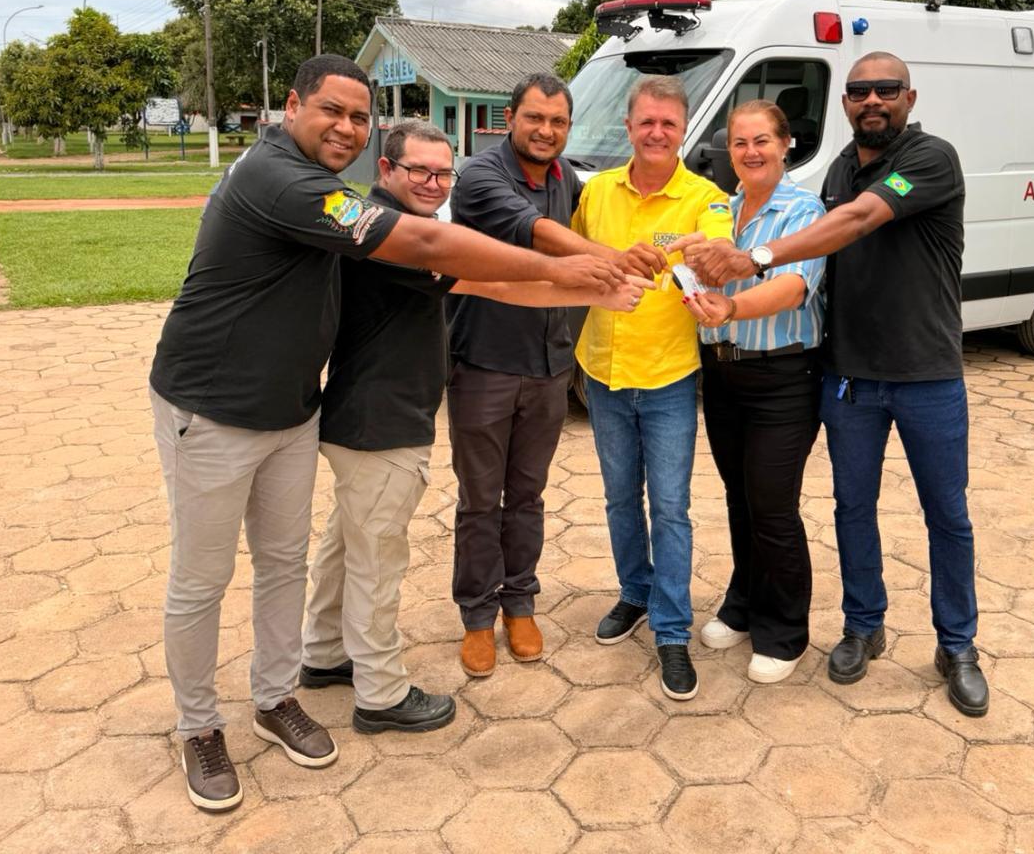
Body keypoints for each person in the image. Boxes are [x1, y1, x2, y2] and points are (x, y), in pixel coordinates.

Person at [149, 55, 625, 813]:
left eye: (358, 116)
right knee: (203, 579)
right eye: (331, 111)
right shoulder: (285, 180)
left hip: (296, 411)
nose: (345, 126)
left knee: (286, 563)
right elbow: (446, 255)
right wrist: (587, 271)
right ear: (291, 104)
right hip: (212, 408)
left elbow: (468, 271)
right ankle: (200, 726)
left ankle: (278, 697)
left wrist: (583, 281)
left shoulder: (336, 197)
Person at [298, 120, 649, 729]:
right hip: (380, 421)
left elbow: (493, 284)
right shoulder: (396, 234)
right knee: (379, 556)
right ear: (386, 170)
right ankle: (380, 692)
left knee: (346, 540)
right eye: (419, 171)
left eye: (442, 173)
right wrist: (580, 279)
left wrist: (585, 291)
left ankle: (324, 653)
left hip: (374, 414)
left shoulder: (401, 223)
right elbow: (491, 280)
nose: (434, 183)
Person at [681, 52, 989, 717]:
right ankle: (862, 625)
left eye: (885, 90)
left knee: (947, 515)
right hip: (850, 374)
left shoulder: (930, 159)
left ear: (909, 95)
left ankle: (957, 644)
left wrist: (754, 258)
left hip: (926, 373)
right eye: (858, 91)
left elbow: (850, 226)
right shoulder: (842, 169)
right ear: (844, 103)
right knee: (852, 509)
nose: (871, 100)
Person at [572, 74, 734, 701]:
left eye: (669, 123)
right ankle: (634, 593)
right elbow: (571, 255)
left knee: (669, 508)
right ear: (629, 126)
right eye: (647, 122)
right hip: (603, 372)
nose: (657, 132)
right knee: (619, 499)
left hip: (668, 377)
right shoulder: (598, 194)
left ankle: (671, 629)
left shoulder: (702, 196)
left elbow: (719, 240)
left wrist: (699, 252)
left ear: (683, 129)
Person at [444, 73, 590, 677]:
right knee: (481, 499)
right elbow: (536, 235)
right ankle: (477, 616)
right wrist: (599, 263)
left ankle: (520, 603)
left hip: (550, 366)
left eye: (557, 122)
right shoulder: (481, 176)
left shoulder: (569, 181)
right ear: (509, 119)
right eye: (535, 118)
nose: (545, 131)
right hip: (484, 364)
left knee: (527, 495)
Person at [677, 100, 826, 685]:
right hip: (723, 373)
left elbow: (794, 287)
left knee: (771, 504)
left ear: (785, 144)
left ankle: (786, 630)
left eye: (762, 140)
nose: (750, 152)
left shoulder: (803, 209)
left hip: (783, 379)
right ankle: (743, 601)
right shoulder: (724, 209)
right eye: (739, 143)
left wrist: (732, 304)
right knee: (739, 497)